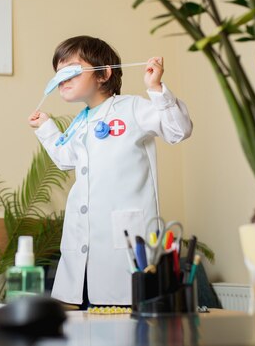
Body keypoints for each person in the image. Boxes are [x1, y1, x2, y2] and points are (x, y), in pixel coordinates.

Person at [28, 35, 193, 308]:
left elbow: (178, 130)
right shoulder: (81, 121)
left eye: (70, 70)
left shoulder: (132, 108)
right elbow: (66, 159)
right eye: (58, 73)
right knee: (83, 318)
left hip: (125, 239)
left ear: (103, 73)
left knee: (121, 316)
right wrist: (47, 129)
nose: (61, 79)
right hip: (82, 244)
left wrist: (156, 88)